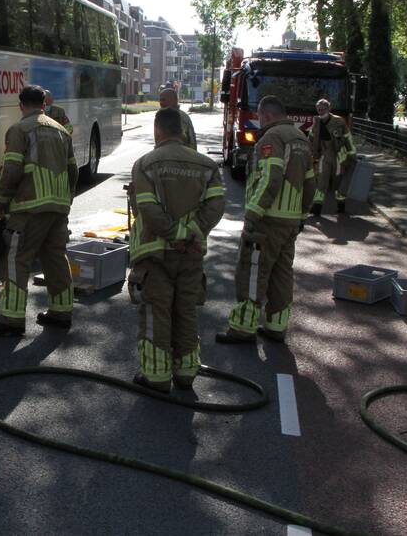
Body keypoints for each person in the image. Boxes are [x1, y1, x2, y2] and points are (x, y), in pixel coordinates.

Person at [128, 108, 225, 392]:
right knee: (186, 311)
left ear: (158, 130)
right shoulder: (207, 165)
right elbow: (216, 206)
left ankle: (156, 377)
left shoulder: (145, 164)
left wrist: (175, 233)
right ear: (181, 131)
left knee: (156, 311)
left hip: (155, 254)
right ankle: (186, 373)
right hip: (191, 253)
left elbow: (148, 207)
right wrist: (194, 231)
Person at [0, 85, 79, 336]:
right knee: (55, 257)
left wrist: (0, 202)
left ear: (21, 105)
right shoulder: (60, 131)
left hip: (29, 208)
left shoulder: (19, 129)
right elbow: (73, 170)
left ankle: (11, 319)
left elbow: (12, 170)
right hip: (58, 207)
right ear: (44, 104)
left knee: (16, 259)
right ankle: (61, 312)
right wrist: (65, 199)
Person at [217, 95, 314, 344]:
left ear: (267, 115)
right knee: (282, 275)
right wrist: (302, 215)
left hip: (267, 221)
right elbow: (311, 183)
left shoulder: (272, 137)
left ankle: (243, 328)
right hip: (291, 222)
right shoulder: (302, 139)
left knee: (252, 272)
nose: (259, 122)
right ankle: (276, 326)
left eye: (260, 117)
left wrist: (253, 214)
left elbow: (271, 177)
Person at [309, 98, 355, 216]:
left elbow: (348, 138)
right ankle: (316, 207)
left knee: (338, 183)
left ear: (329, 108)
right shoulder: (317, 122)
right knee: (321, 182)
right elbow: (311, 138)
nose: (320, 111)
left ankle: (341, 206)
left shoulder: (339, 121)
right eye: (318, 109)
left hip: (338, 156)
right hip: (324, 155)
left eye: (323, 109)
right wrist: (310, 153)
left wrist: (351, 155)